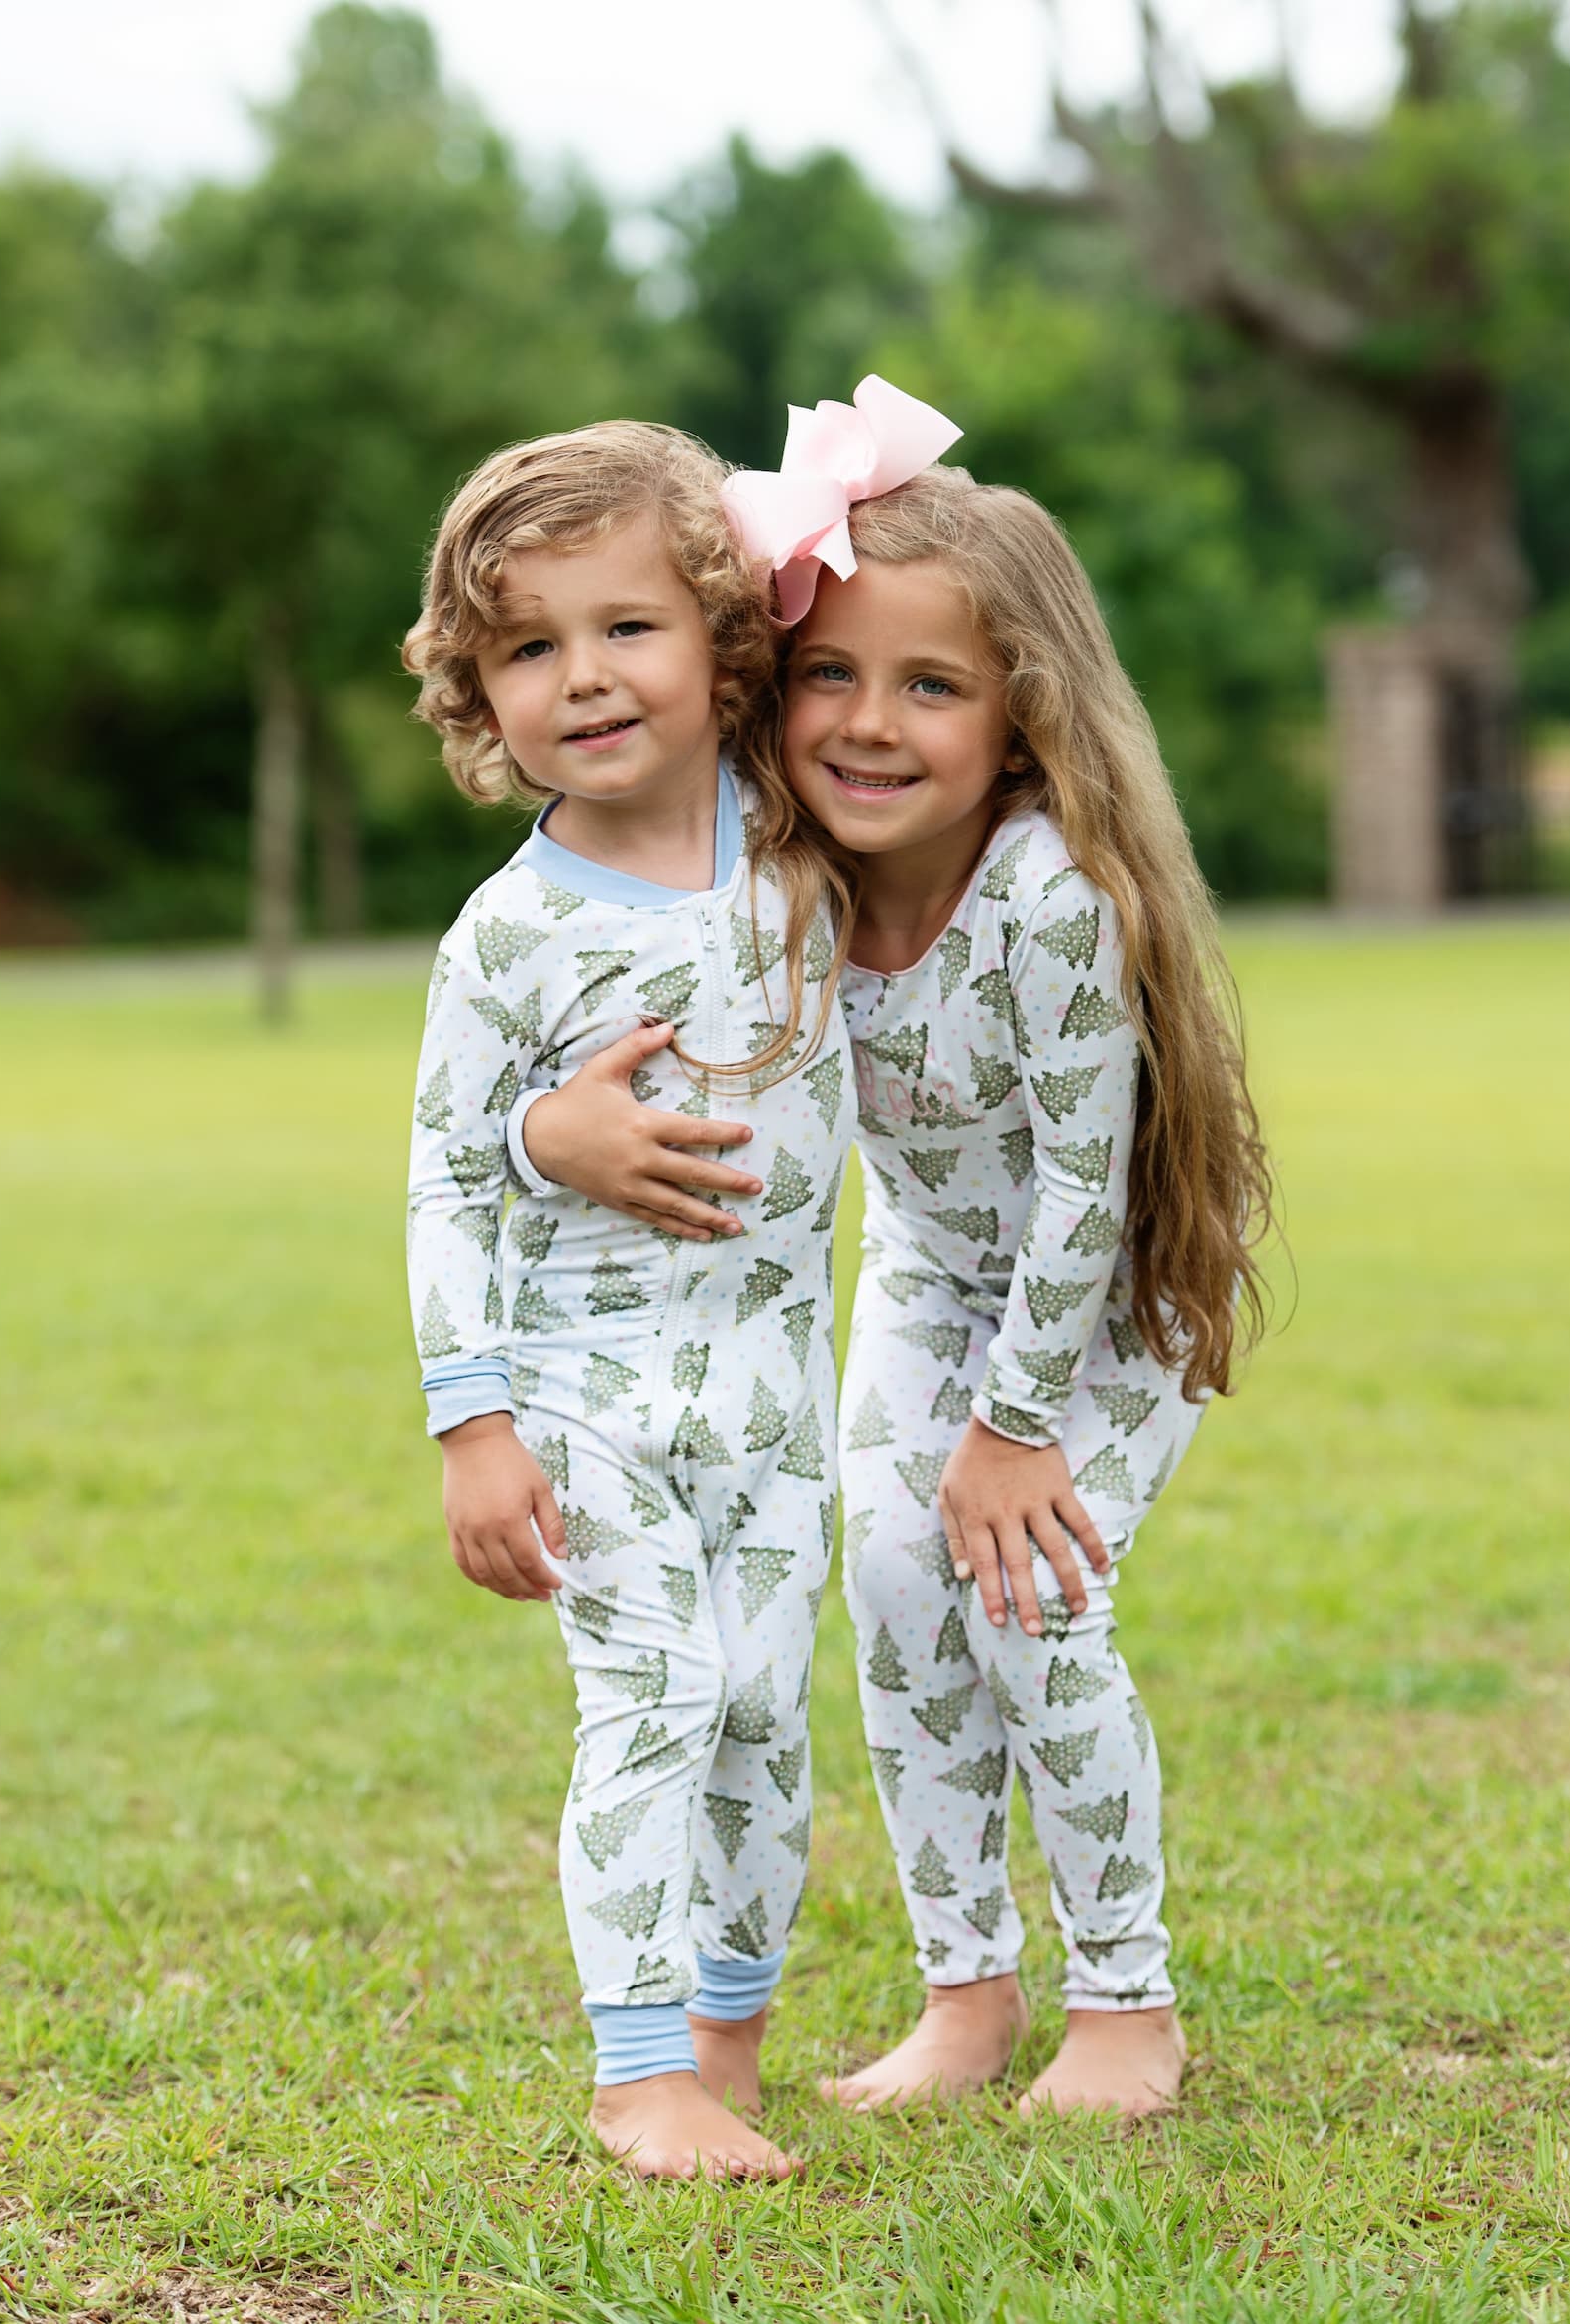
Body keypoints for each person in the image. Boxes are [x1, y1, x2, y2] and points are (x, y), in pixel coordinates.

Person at [519, 395, 1273, 2126]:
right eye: (824, 675)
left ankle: (1125, 2006)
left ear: (1020, 721)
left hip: (1100, 1310)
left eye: (929, 685)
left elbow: (1086, 1188)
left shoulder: (1049, 899)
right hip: (929, 1287)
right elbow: (578, 1024)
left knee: (1029, 1614)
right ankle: (965, 1994)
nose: (865, 724)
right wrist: (547, 1136)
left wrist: (1010, 1435)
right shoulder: (778, 875)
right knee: (898, 1606)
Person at [402, 419, 873, 2181]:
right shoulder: (507, 938)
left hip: (774, 1392)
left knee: (763, 1709)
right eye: (527, 648)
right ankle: (635, 2073)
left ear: (719, 639)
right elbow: (445, 1174)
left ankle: (729, 2039)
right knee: (655, 1698)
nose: (582, 679)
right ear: (478, 694)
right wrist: (475, 1424)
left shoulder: (809, 837)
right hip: (592, 1389)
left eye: (626, 629)